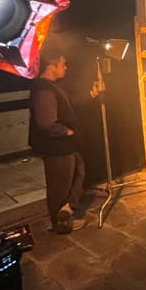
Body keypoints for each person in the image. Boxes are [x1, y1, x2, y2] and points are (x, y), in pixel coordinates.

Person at [29, 48, 99, 234]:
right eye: (62, 64)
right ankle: (60, 224)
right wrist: (65, 131)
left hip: (66, 146)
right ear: (51, 66)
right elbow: (46, 123)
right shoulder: (44, 90)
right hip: (56, 148)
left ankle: (68, 208)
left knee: (79, 171)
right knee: (59, 187)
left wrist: (92, 94)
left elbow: (71, 102)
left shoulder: (53, 86)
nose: (65, 67)